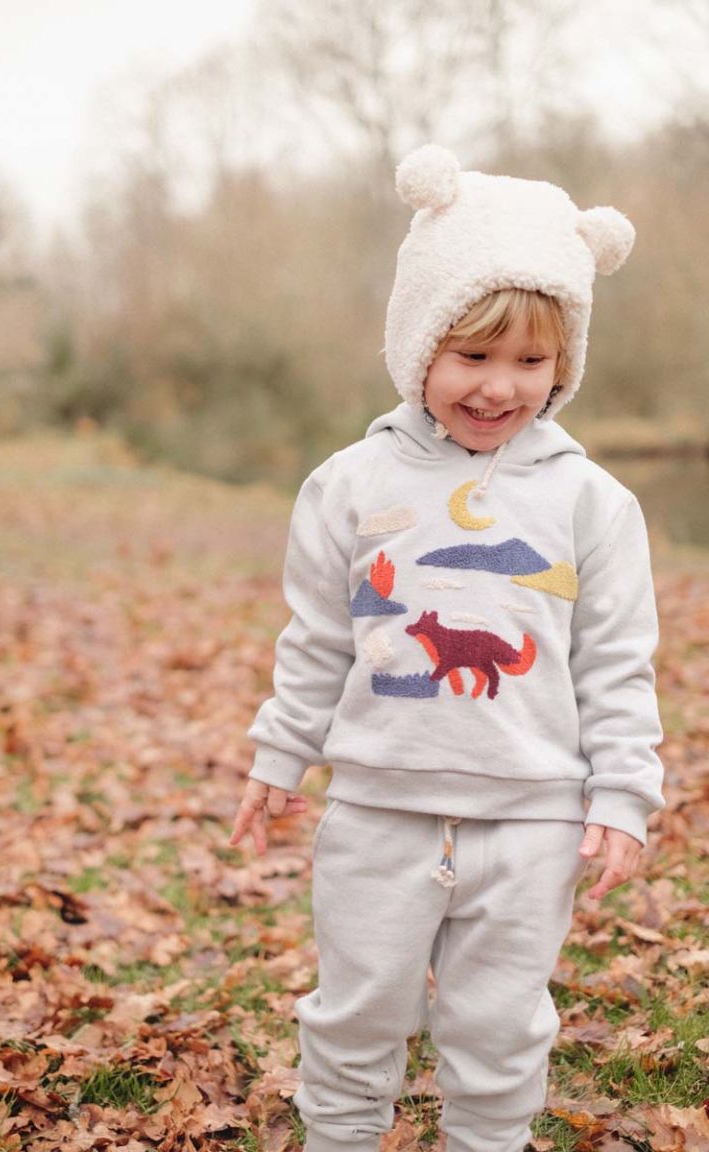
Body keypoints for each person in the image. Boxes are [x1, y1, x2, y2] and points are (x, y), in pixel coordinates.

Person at [229, 144, 665, 1152]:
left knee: (500, 1031)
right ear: (417, 342)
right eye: (471, 356)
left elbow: (614, 661)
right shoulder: (348, 485)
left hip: (532, 823)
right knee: (355, 1018)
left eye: (531, 363)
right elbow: (318, 638)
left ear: (564, 365)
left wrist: (624, 793)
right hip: (378, 812)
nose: (499, 387)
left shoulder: (593, 503)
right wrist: (280, 753)